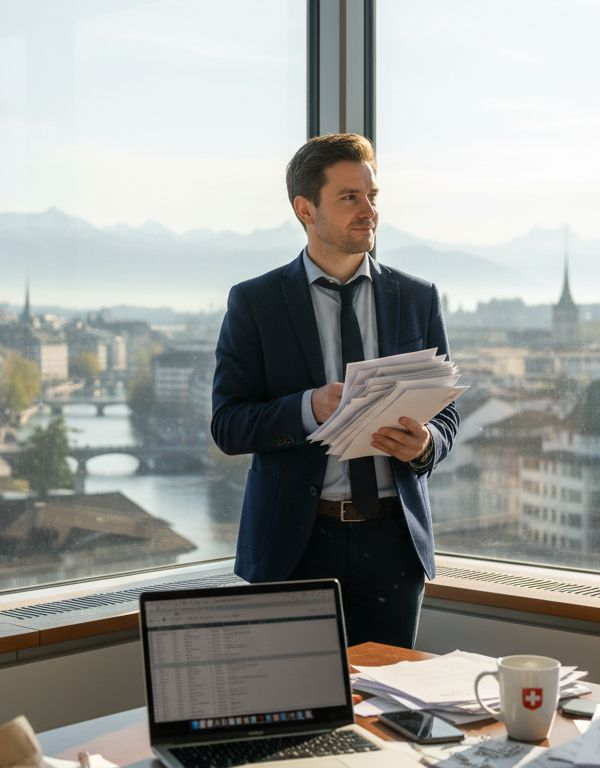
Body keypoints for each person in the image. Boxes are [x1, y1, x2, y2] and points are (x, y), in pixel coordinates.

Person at [210, 133, 460, 648]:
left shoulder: (416, 298)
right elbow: (228, 425)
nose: (368, 210)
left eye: (372, 196)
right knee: (295, 707)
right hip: (294, 547)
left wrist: (427, 444)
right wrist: (307, 409)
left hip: (394, 543)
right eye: (350, 197)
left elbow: (447, 412)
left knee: (389, 709)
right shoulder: (256, 303)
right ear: (306, 208)